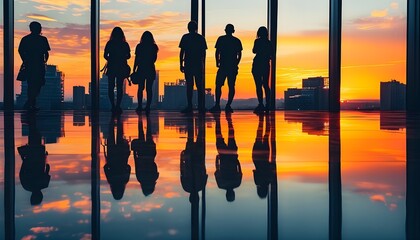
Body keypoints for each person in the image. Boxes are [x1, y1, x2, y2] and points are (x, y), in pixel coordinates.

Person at [18, 112, 50, 205]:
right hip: (31, 157)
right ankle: (32, 121)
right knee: (33, 136)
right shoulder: (26, 186)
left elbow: (47, 168)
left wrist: (45, 157)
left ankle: (32, 120)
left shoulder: (44, 184)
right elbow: (22, 172)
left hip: (38, 156)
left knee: (36, 135)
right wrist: (24, 159)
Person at [209, 24, 242, 114]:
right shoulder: (236, 41)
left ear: (225, 30)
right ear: (233, 31)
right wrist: (236, 63)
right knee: (231, 86)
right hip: (231, 66)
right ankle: (228, 105)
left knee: (218, 85)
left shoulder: (221, 39)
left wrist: (217, 62)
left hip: (223, 66)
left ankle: (217, 105)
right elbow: (239, 54)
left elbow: (217, 52)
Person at [18, 21, 51, 111]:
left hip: (31, 64)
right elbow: (46, 52)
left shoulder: (26, 39)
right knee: (38, 83)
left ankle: (30, 102)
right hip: (38, 64)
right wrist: (44, 61)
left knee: (32, 84)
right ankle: (30, 103)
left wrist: (25, 59)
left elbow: (20, 50)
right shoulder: (43, 39)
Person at [179, 21, 208, 114]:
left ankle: (190, 106)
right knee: (199, 86)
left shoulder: (185, 37)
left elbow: (182, 52)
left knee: (189, 86)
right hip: (198, 64)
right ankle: (201, 106)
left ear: (188, 28)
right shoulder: (201, 38)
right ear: (196, 28)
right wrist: (202, 64)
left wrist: (181, 64)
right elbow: (203, 53)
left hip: (188, 64)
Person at [213, 112, 242, 202]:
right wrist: (217, 159)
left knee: (231, 136)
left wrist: (237, 160)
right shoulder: (221, 184)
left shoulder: (237, 183)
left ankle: (229, 121)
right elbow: (217, 171)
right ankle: (218, 121)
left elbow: (239, 170)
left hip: (232, 156)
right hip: (223, 157)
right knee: (219, 136)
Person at [104, 27, 131, 115]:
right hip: (121, 67)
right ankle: (118, 106)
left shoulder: (110, 43)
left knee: (110, 87)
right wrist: (122, 57)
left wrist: (111, 59)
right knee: (119, 87)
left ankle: (113, 106)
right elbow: (129, 56)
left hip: (112, 67)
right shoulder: (125, 44)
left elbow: (105, 55)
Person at [103, 116, 131, 200]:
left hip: (122, 155)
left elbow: (128, 167)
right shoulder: (111, 180)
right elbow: (105, 168)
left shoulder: (125, 180)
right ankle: (112, 119)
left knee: (120, 134)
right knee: (111, 134)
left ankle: (119, 119)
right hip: (111, 156)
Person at [132, 114, 159, 196]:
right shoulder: (140, 178)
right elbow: (136, 163)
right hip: (141, 153)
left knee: (149, 134)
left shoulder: (154, 177)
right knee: (141, 133)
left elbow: (155, 166)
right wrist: (134, 151)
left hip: (150, 154)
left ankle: (148, 121)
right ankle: (141, 121)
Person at [133, 31, 158, 114]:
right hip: (150, 68)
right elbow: (154, 59)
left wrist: (134, 68)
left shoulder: (139, 46)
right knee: (149, 88)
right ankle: (148, 106)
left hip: (141, 68)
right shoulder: (154, 47)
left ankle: (139, 106)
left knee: (140, 88)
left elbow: (136, 58)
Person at [252, 26, 272, 113]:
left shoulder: (257, 41)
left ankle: (261, 104)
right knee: (266, 85)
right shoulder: (269, 42)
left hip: (257, 64)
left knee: (258, 85)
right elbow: (271, 54)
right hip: (265, 64)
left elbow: (254, 51)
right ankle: (268, 104)